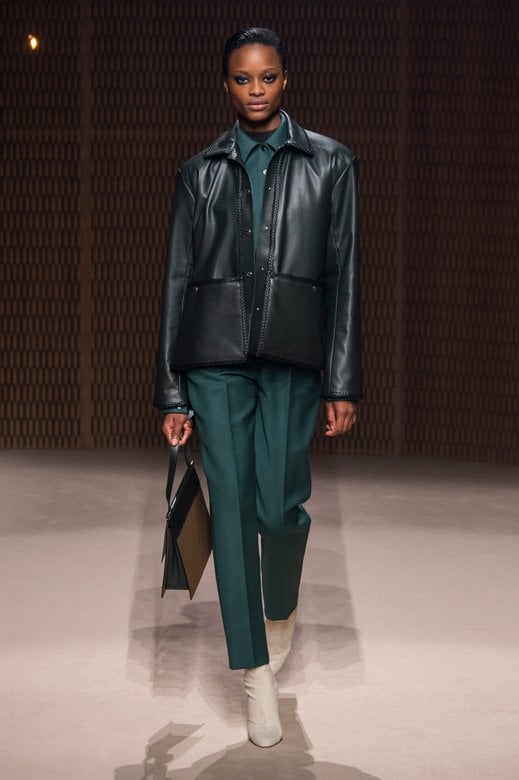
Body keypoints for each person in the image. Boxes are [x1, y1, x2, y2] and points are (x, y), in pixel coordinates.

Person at [153, 27, 361, 748]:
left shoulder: (331, 163)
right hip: (214, 357)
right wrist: (172, 392)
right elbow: (177, 281)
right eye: (242, 79)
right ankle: (254, 673)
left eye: (267, 77)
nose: (255, 90)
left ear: (285, 79)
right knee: (235, 511)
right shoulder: (199, 172)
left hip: (293, 356)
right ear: (226, 85)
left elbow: (343, 275)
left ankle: (280, 608)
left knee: (280, 504)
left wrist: (341, 380)